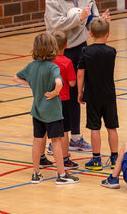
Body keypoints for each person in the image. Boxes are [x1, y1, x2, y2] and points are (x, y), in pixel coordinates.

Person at [44, 0, 110, 152]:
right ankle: (56, 138)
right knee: (60, 95)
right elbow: (55, 24)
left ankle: (75, 137)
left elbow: (92, 23)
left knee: (77, 94)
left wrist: (101, 21)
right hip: (60, 51)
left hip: (80, 49)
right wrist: (77, 18)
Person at [13, 33, 79, 185]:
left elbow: (15, 78)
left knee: (37, 140)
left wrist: (32, 84)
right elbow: (59, 82)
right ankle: (61, 174)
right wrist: (56, 92)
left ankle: (36, 173)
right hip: (52, 111)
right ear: (53, 48)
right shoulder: (52, 66)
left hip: (37, 110)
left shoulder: (32, 66)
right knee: (56, 140)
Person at [77, 18, 119, 170]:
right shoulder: (112, 52)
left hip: (93, 96)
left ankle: (96, 160)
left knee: (95, 128)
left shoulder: (85, 52)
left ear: (90, 33)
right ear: (108, 34)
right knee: (112, 127)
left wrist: (79, 92)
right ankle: (115, 158)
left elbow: (80, 74)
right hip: (109, 95)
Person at [43, 31, 79, 170]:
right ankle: (64, 159)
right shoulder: (67, 62)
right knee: (64, 131)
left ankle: (41, 157)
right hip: (62, 100)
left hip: (47, 98)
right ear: (66, 45)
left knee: (45, 129)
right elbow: (71, 83)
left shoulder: (46, 61)